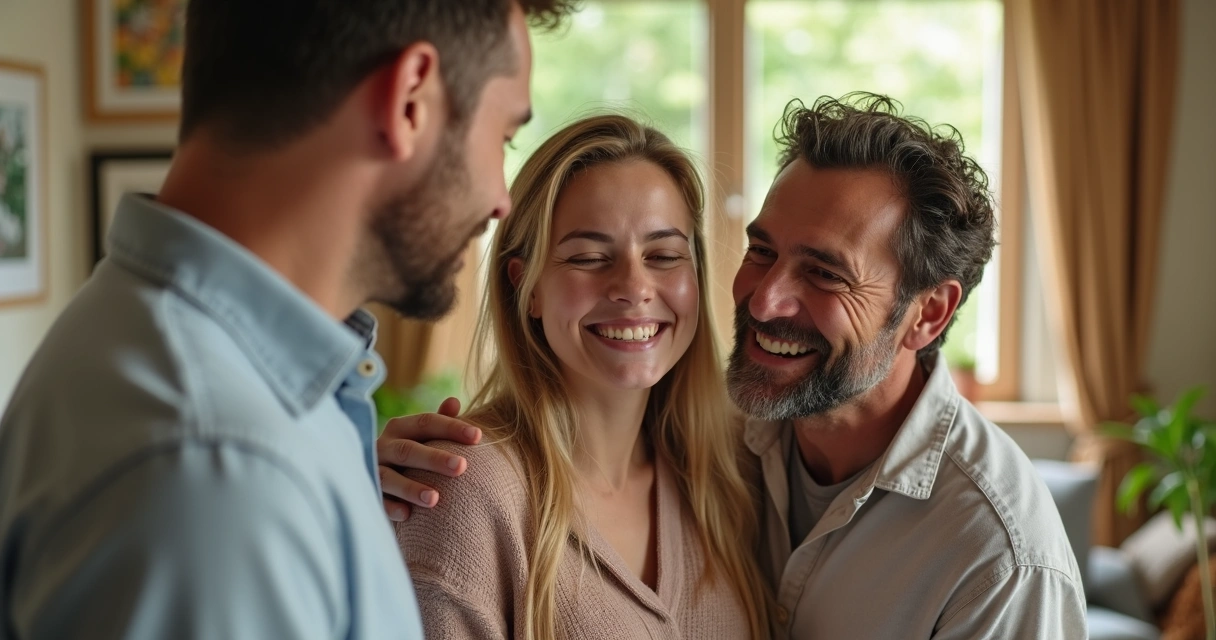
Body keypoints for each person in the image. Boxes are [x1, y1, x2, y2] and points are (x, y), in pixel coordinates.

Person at [379, 94, 1087, 638]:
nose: (766, 297)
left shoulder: (999, 558)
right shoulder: (735, 436)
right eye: (762, 251)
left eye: (825, 273)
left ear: (927, 315)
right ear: (522, 284)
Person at [0, 1, 574, 638]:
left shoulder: (160, 359)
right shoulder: (221, 474)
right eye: (503, 138)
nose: (501, 199)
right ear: (410, 99)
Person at [393, 114, 771, 639]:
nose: (634, 287)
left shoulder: (733, 471)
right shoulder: (467, 490)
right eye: (590, 257)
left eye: (663, 255)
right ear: (529, 288)